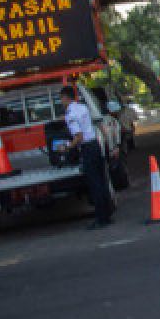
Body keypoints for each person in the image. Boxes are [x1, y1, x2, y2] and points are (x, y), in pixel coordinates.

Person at [59, 85, 112, 230]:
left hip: (87, 149)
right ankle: (107, 215)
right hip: (95, 145)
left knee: (94, 185)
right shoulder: (82, 108)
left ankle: (101, 219)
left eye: (61, 99)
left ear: (65, 98)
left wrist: (67, 147)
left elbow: (79, 136)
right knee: (101, 182)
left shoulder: (70, 115)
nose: (61, 102)